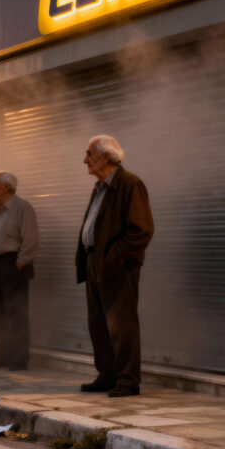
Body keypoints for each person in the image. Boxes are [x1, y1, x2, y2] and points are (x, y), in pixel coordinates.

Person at [75, 135, 154, 398]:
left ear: (106, 157)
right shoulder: (99, 187)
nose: (85, 160)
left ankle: (127, 381)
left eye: (89, 154)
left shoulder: (130, 184)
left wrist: (112, 259)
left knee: (122, 324)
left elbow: (140, 231)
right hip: (94, 262)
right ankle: (107, 375)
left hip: (117, 266)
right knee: (98, 324)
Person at [0, 171, 40, 371]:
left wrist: (19, 263)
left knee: (16, 312)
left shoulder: (22, 208)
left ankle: (19, 357)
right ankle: (4, 355)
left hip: (12, 265)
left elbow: (31, 240)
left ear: (6, 187)